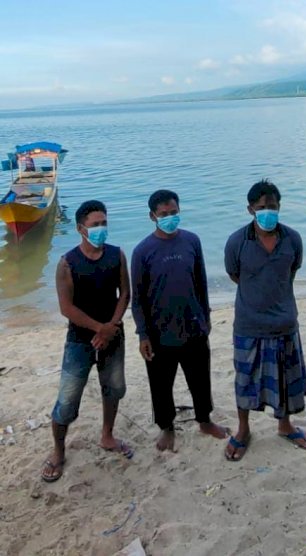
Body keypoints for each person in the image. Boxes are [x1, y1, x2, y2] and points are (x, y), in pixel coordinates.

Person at [223, 179, 306, 461]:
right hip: (249, 325)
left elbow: (291, 272)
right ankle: (242, 430)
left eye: (272, 206)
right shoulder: (237, 242)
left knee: (285, 380)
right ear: (250, 209)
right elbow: (234, 275)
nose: (267, 212)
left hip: (285, 323)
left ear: (279, 206)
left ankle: (285, 426)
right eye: (261, 207)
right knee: (245, 380)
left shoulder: (292, 239)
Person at [41, 200, 132, 482]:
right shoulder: (67, 263)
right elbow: (66, 308)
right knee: (67, 400)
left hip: (113, 336)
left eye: (104, 223)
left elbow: (125, 294)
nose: (101, 229)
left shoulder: (116, 256)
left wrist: (112, 326)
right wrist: (98, 329)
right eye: (95, 225)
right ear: (81, 229)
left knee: (114, 388)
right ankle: (58, 450)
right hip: (80, 340)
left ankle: (107, 435)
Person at [130, 189, 228, 452]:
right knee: (161, 384)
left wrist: (205, 318)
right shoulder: (142, 251)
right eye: (164, 214)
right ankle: (167, 427)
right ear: (152, 216)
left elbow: (201, 282)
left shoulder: (192, 242)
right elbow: (137, 298)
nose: (170, 217)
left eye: (174, 212)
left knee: (200, 378)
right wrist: (143, 334)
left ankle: (205, 421)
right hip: (159, 333)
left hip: (194, 326)